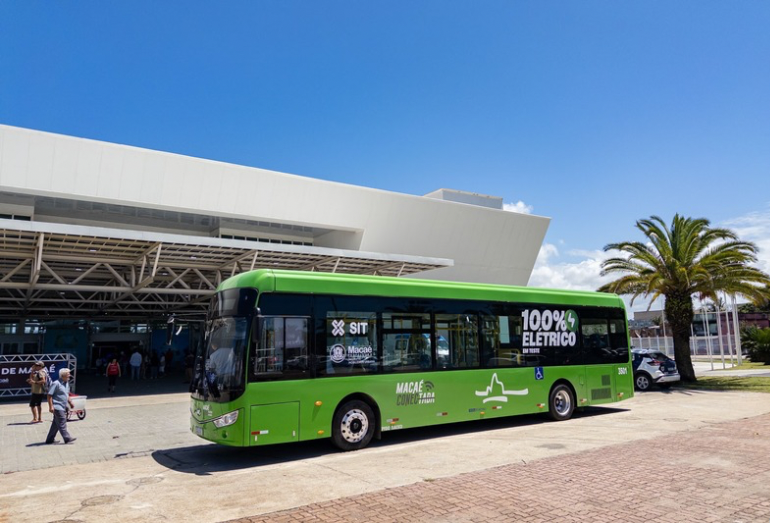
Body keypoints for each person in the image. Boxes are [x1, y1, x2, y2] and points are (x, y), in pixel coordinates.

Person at [45, 368, 76, 444]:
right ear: (63, 375)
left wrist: (70, 402)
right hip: (57, 406)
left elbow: (66, 393)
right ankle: (67, 438)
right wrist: (51, 406)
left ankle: (50, 439)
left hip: (63, 406)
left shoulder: (66, 383)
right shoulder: (56, 383)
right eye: (68, 374)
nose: (69, 375)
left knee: (56, 423)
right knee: (62, 421)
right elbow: (49, 395)